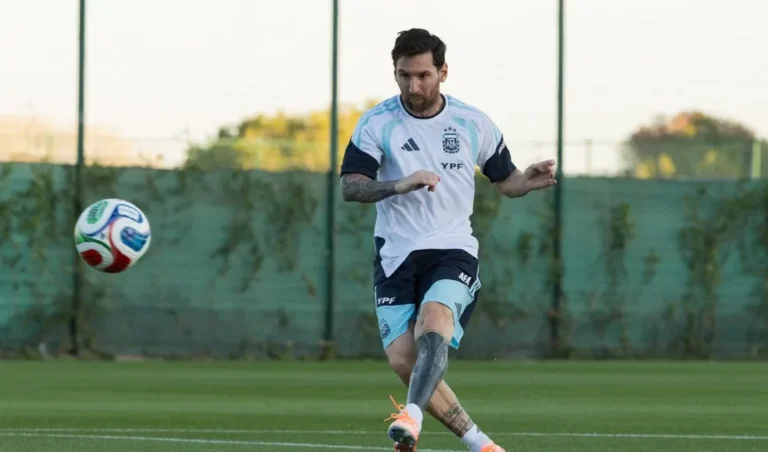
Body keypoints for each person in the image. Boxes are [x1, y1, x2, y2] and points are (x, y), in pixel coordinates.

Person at [339, 28, 557, 452]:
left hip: (452, 248)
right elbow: (351, 187)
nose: (412, 86)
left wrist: (525, 182)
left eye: (422, 75)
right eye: (403, 75)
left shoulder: (472, 122)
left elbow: (505, 180)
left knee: (434, 320)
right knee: (404, 360)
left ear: (443, 72)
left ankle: (412, 415)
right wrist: (400, 184)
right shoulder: (377, 123)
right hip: (396, 255)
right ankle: (481, 444)